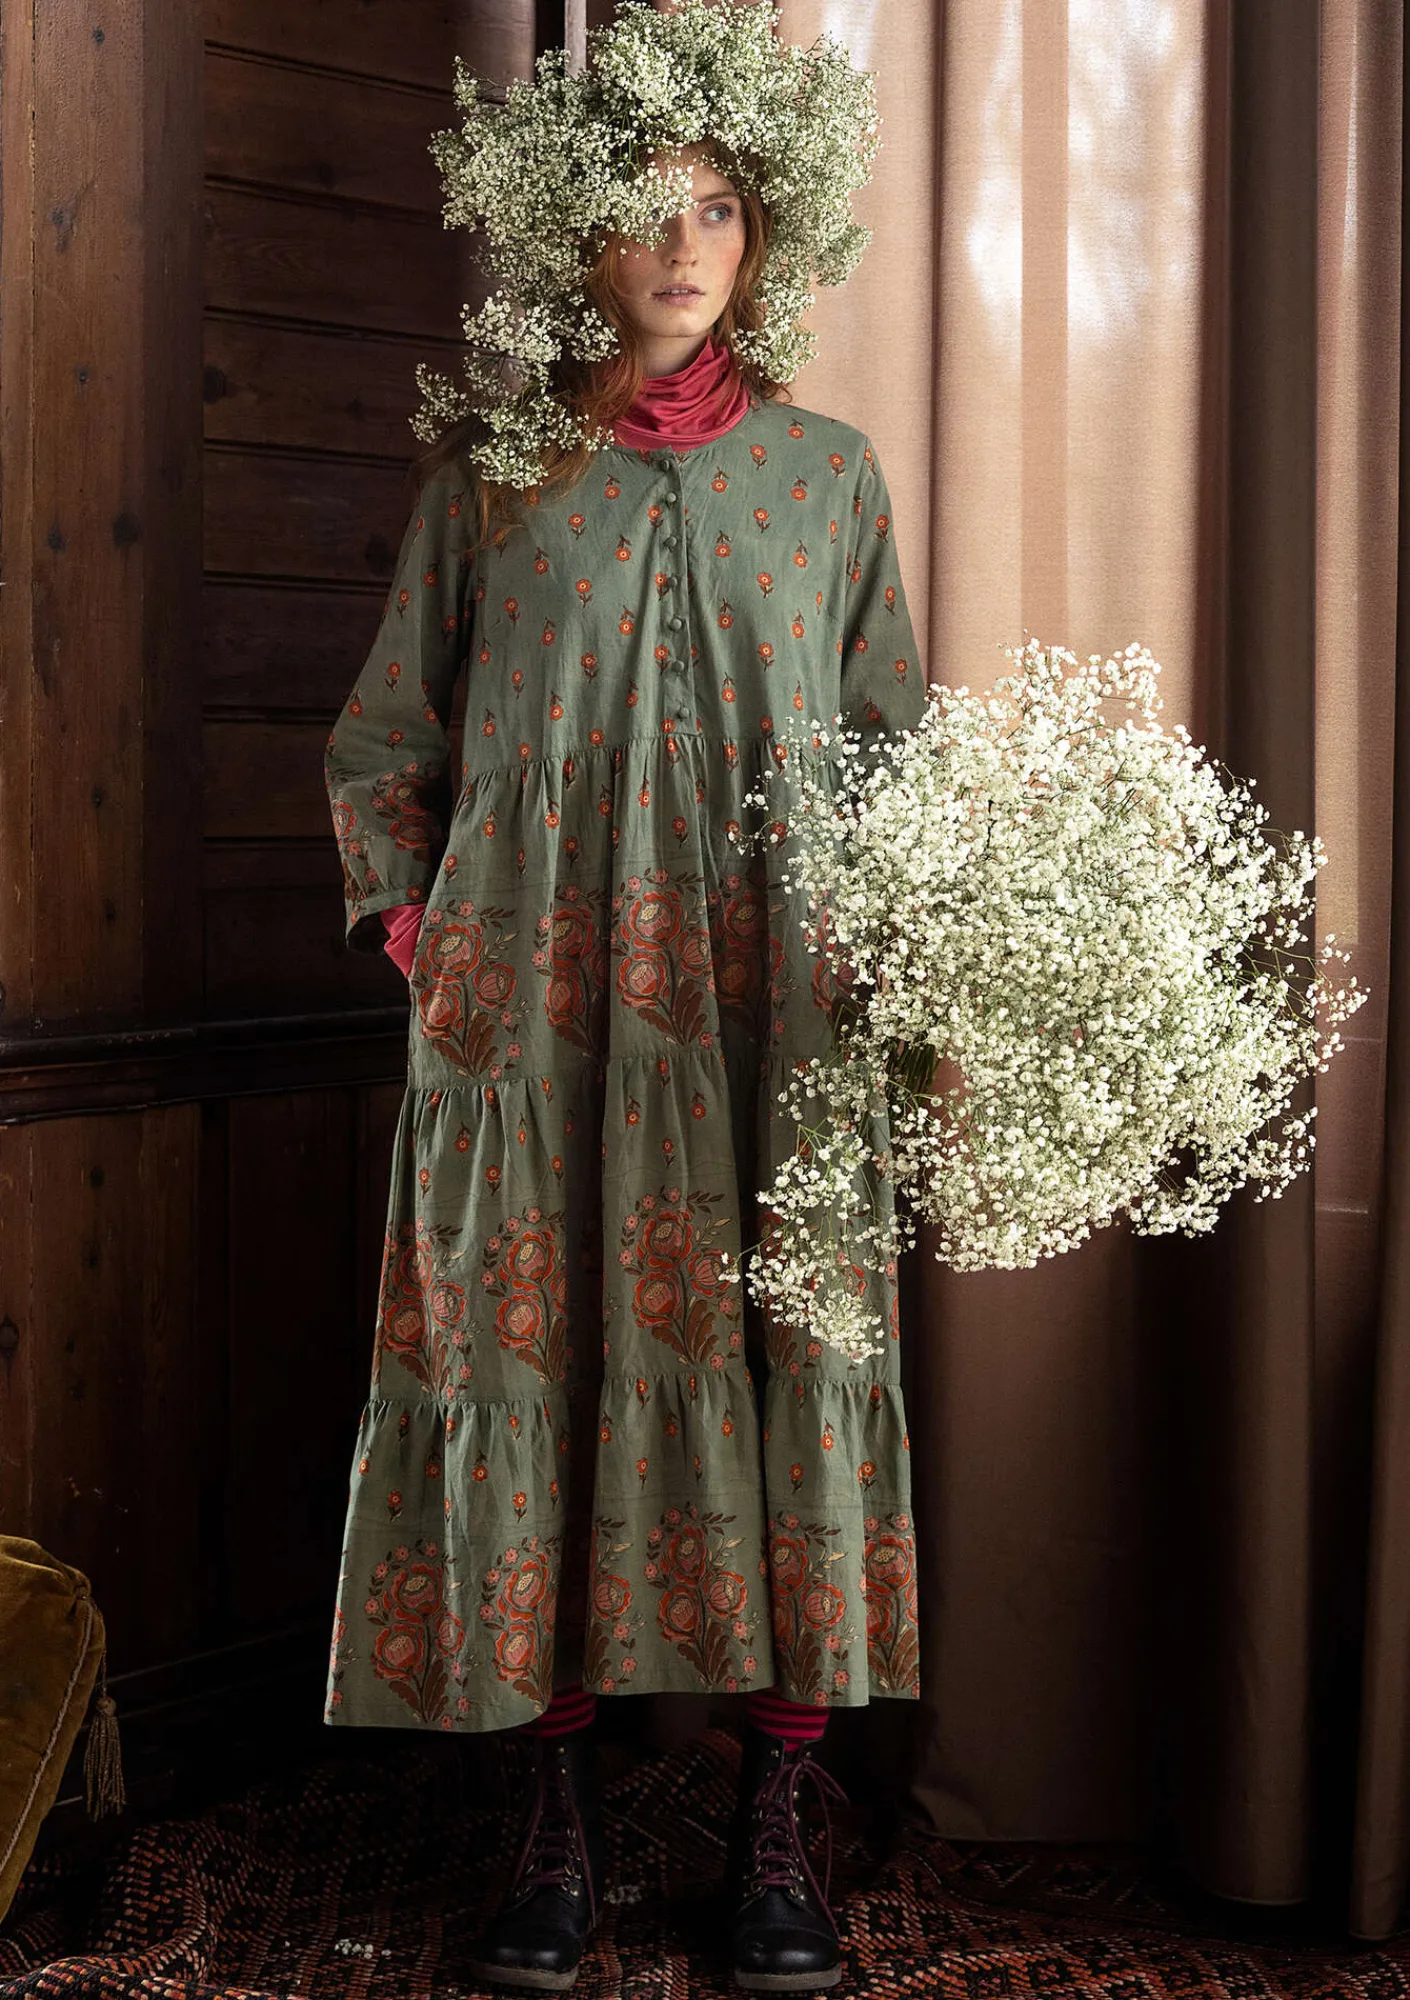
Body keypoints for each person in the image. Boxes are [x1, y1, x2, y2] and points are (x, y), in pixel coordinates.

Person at [322, 5, 925, 1990]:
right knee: (540, 1369)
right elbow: (383, 741)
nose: (681, 246)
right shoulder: (491, 479)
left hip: (776, 1021)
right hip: (536, 1033)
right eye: (644, 209)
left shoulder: (831, 482)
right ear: (573, 236)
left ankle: (776, 1829)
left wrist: (905, 951)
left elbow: (890, 752)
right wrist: (421, 936)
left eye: (720, 209)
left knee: (788, 1365)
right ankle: (554, 1825)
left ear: (771, 235)